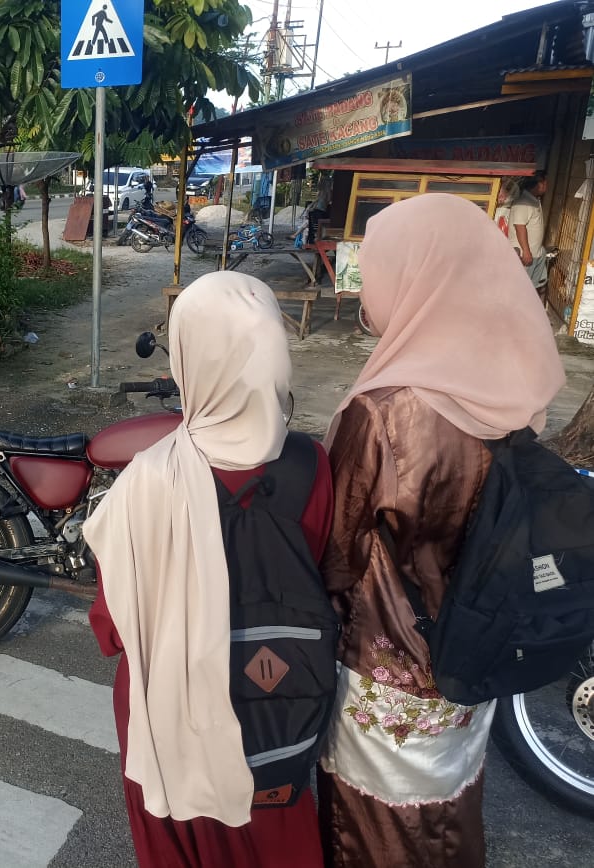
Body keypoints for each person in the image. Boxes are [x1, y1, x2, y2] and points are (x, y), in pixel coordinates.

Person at [317, 193, 565, 868]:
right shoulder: (512, 389)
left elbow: (336, 558)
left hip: (387, 665)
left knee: (376, 832)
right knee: (447, 810)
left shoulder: (384, 413)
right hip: (472, 656)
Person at [85, 272, 334, 868]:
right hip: (278, 698)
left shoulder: (147, 479)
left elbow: (110, 629)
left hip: (169, 711)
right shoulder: (313, 463)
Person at [509, 170, 549, 295]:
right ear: (539, 184)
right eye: (545, 183)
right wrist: (526, 251)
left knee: (529, 289)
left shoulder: (533, 200)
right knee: (520, 290)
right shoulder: (523, 202)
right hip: (526, 255)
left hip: (534, 253)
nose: (546, 186)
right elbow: (519, 227)